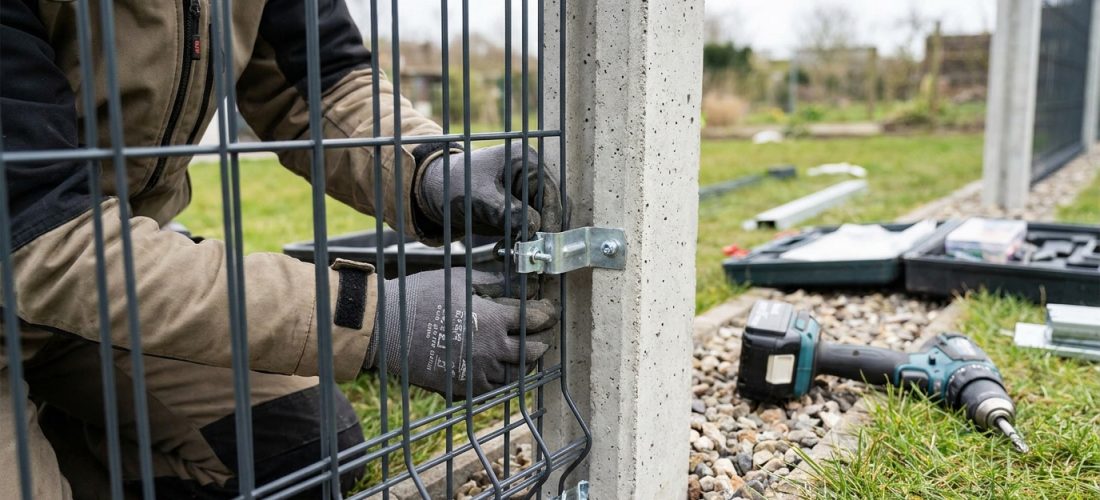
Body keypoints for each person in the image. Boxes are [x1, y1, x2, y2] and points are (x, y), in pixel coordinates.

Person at [0, 0, 560, 497]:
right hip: (36, 272)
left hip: (111, 291)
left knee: (309, 451)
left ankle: (56, 430)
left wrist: (430, 170)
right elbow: (44, 239)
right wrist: (376, 318)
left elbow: (324, 77)